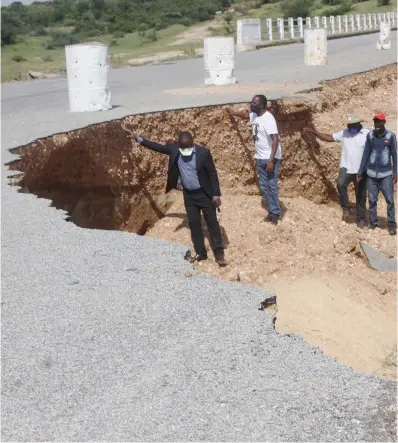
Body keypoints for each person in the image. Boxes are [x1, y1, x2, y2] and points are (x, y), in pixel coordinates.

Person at [125, 130, 227, 265]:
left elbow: (212, 174)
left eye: (189, 146)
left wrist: (216, 194)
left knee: (212, 223)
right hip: (189, 196)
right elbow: (158, 147)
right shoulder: (174, 149)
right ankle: (201, 253)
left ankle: (219, 253)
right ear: (179, 145)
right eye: (183, 147)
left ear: (193, 143)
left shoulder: (203, 153)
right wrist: (139, 139)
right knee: (194, 224)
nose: (186, 150)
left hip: (204, 194)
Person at [303, 115, 370, 227]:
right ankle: (346, 208)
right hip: (346, 167)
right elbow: (329, 137)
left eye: (352, 125)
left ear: (359, 124)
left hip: (361, 170)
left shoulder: (367, 134)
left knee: (361, 194)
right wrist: (314, 132)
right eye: (349, 125)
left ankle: (361, 219)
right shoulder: (345, 133)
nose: (350, 127)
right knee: (340, 184)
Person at [227, 95, 282, 224]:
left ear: (262, 105)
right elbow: (244, 115)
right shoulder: (254, 115)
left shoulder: (268, 119)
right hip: (260, 157)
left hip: (270, 158)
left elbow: (275, 140)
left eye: (254, 102)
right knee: (264, 186)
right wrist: (232, 112)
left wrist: (271, 160)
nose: (251, 104)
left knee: (272, 185)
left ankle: (275, 214)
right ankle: (271, 211)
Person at [357, 112, 397, 235]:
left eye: (379, 121)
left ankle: (391, 224)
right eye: (375, 122)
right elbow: (366, 154)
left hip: (386, 175)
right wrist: (360, 170)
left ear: (384, 122)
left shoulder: (390, 136)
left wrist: (395, 172)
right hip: (371, 175)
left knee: (390, 200)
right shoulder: (370, 136)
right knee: (372, 200)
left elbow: (395, 155)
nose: (377, 124)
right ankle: (373, 222)